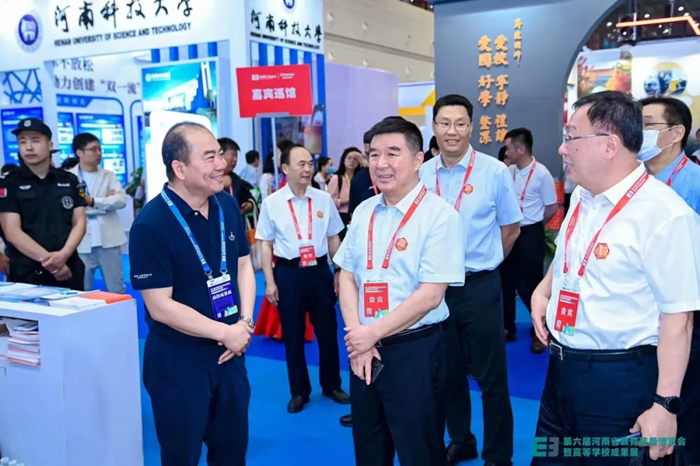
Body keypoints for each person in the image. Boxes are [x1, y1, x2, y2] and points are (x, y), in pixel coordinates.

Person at [531, 91, 700, 464]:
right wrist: (544, 290)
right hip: (560, 374)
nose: (562, 149)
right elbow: (568, 254)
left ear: (609, 145)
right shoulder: (583, 197)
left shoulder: (665, 215)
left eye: (571, 137)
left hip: (619, 383)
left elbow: (679, 319)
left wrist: (665, 405)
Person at [335, 116, 465, 466]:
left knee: (419, 449)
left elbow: (431, 295)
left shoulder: (439, 216)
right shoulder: (364, 210)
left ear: (418, 159)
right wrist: (358, 335)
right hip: (363, 347)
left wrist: (370, 334)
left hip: (414, 350)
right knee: (369, 446)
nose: (381, 164)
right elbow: (346, 276)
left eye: (392, 153)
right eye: (374, 154)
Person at [129, 122, 256, 465]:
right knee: (181, 455)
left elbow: (244, 265)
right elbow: (160, 306)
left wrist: (244, 323)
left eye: (220, 155)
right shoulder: (151, 224)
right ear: (180, 168)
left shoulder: (226, 205)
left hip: (230, 352)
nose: (222, 164)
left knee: (232, 451)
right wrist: (226, 333)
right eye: (210, 157)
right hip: (179, 360)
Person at [419, 94, 522, 466]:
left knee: (492, 378)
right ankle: (461, 440)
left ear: (471, 127)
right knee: (447, 374)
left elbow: (510, 229)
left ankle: (499, 455)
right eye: (445, 123)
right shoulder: (421, 174)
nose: (452, 131)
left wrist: (485, 265)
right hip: (435, 291)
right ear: (434, 127)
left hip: (480, 287)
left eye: (460, 123)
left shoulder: (494, 172)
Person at [256, 143, 349, 413]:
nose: (308, 169)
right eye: (301, 164)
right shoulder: (272, 203)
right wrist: (270, 281)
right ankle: (299, 391)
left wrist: (339, 271)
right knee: (293, 334)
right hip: (288, 272)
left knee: (328, 331)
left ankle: (332, 384)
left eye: (310, 163)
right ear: (285, 168)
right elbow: (265, 244)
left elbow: (333, 237)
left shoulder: (323, 199)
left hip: (319, 271)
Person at [639, 96, 700, 464]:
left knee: (683, 406)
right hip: (641, 316)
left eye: (648, 124)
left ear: (676, 133)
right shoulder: (634, 181)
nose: (638, 131)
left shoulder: (694, 182)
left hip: (684, 313)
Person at [0, 118, 86, 290]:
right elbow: (12, 232)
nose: (28, 147)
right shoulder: (9, 183)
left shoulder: (69, 180)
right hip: (27, 272)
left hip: (69, 267)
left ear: (49, 145)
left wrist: (63, 255)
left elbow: (79, 222)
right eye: (22, 142)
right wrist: (52, 263)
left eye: (35, 140)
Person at [502, 128, 559, 351]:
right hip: (510, 232)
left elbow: (551, 208)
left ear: (520, 149)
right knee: (506, 281)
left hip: (531, 233)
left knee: (532, 284)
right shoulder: (508, 172)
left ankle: (540, 332)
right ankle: (508, 328)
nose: (506, 152)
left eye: (509, 148)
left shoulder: (542, 174)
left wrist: (535, 227)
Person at [67, 133, 128, 293]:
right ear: (79, 152)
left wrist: (93, 201)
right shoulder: (69, 177)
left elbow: (120, 200)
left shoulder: (109, 176)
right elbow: (68, 207)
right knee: (80, 289)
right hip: (80, 241)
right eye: (93, 149)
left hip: (108, 239)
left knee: (116, 288)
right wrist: (105, 202)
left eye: (100, 149)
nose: (99, 153)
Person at [327, 147, 362, 233]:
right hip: (342, 216)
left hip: (358, 215)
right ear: (343, 159)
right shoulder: (337, 178)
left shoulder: (361, 178)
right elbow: (329, 201)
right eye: (349, 158)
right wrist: (348, 201)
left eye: (355, 159)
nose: (352, 161)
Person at [218, 137, 255, 215]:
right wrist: (219, 184)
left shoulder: (236, 180)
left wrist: (249, 205)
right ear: (220, 155)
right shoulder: (206, 179)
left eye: (236, 156)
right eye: (233, 156)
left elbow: (249, 197)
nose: (235, 160)